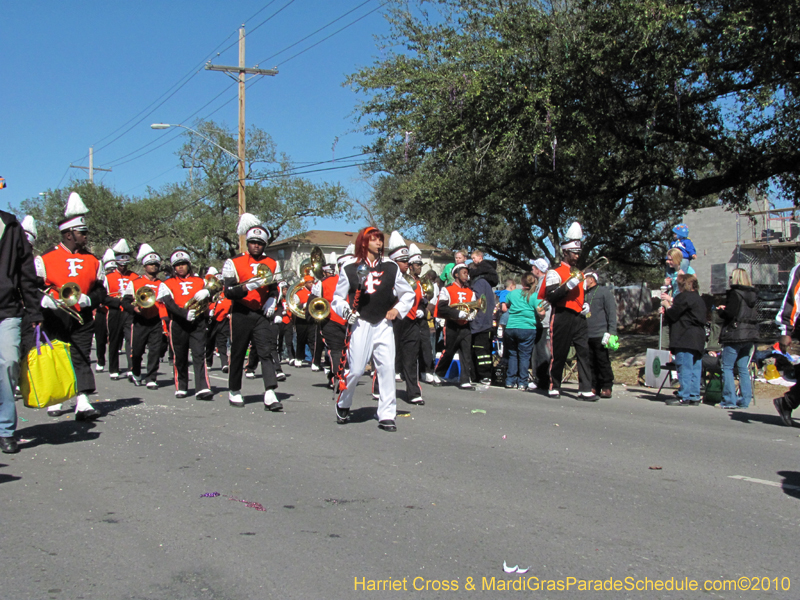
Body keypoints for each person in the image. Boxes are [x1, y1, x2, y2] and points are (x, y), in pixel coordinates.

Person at [331, 226, 414, 431]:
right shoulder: (349, 267)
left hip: (383, 324)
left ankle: (386, 414)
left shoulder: (391, 267)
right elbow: (337, 298)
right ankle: (344, 401)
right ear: (364, 242)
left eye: (380, 240)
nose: (379, 243)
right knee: (357, 368)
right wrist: (346, 311)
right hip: (360, 323)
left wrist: (397, 309)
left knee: (387, 368)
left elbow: (408, 294)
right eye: (375, 240)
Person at [38, 192, 106, 420]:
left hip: (82, 315)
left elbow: (101, 289)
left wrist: (90, 299)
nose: (85, 237)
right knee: (58, 354)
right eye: (81, 233)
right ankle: (56, 398)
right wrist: (44, 299)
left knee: (81, 354)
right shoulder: (45, 258)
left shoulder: (94, 260)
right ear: (68, 234)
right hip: (56, 314)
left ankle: (83, 401)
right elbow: (33, 285)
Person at [222, 213, 283, 411]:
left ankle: (270, 391)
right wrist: (248, 287)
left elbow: (275, 287)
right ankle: (234, 390)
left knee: (266, 350)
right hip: (241, 311)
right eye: (253, 242)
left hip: (261, 313)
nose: (256, 246)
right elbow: (228, 291)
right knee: (239, 351)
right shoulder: (234, 262)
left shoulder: (273, 263)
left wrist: (273, 300)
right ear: (247, 243)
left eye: (260, 243)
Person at [0, 209, 42, 453]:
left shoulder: (10, 226)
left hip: (7, 309)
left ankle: (5, 430)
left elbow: (26, 271)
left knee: (8, 364)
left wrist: (34, 310)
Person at [541, 222, 597, 400]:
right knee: (559, 352)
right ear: (565, 252)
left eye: (578, 253)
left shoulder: (579, 273)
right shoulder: (554, 272)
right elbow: (551, 296)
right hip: (562, 314)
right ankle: (554, 385)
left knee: (583, 352)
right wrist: (567, 287)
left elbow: (580, 295)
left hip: (579, 316)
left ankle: (585, 388)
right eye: (574, 253)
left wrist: (585, 305)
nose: (577, 256)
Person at [157, 250, 212, 400]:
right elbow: (168, 303)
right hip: (178, 323)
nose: (180, 267)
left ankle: (202, 387)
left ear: (188, 265)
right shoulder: (166, 283)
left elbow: (212, 295)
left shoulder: (200, 281)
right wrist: (184, 313)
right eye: (177, 265)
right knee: (179, 356)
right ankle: (181, 385)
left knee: (199, 354)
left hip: (198, 322)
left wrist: (207, 292)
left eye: (183, 264)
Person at [386, 231, 424, 404]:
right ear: (393, 261)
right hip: (392, 322)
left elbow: (419, 299)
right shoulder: (385, 279)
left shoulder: (413, 281)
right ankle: (380, 388)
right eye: (402, 261)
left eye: (407, 261)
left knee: (411, 357)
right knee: (387, 357)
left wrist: (421, 309)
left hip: (411, 323)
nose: (407, 264)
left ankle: (413, 392)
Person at [121, 243, 165, 390]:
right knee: (137, 349)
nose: (153, 266)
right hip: (139, 320)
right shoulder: (135, 283)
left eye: (156, 264)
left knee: (155, 350)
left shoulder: (162, 284)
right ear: (145, 266)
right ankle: (136, 371)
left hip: (156, 320)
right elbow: (125, 301)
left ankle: (151, 377)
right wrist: (134, 308)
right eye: (150, 264)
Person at [661, 273, 706, 406]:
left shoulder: (683, 297)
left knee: (684, 367)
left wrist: (667, 305)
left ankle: (684, 395)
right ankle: (694, 395)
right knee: (695, 367)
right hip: (698, 336)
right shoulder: (699, 299)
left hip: (685, 336)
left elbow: (674, 314)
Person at [716, 268, 758, 409]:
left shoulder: (735, 293)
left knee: (727, 367)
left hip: (735, 334)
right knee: (743, 368)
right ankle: (745, 399)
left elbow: (731, 313)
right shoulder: (753, 295)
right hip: (749, 334)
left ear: (735, 278)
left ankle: (729, 400)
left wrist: (721, 311)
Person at [432, 263, 477, 389]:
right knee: (449, 351)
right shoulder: (447, 289)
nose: (466, 275)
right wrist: (458, 313)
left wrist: (472, 314)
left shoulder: (470, 291)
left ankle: (465, 380)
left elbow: (474, 307)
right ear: (456, 274)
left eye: (467, 273)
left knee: (466, 352)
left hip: (465, 326)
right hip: (452, 325)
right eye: (463, 272)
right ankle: (438, 373)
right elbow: (442, 307)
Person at [104, 239, 139, 380]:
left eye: (125, 264)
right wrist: (115, 301)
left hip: (129, 312)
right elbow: (104, 297)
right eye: (120, 264)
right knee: (114, 339)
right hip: (114, 311)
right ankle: (113, 368)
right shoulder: (108, 277)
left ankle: (132, 368)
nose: (123, 267)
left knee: (131, 340)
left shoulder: (134, 276)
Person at [504, 272, 542, 390]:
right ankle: (522, 382)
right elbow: (541, 312)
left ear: (522, 282)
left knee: (513, 354)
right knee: (524, 356)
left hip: (511, 327)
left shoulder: (513, 293)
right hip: (527, 327)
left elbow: (505, 306)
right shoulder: (534, 296)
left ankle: (510, 380)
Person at [583, 271, 618, 398]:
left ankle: (606, 386)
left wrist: (612, 332)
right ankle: (593, 385)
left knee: (602, 361)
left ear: (591, 279)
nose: (583, 281)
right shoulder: (584, 293)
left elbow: (611, 313)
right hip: (587, 333)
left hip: (601, 333)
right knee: (590, 362)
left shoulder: (604, 292)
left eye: (585, 279)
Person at [468, 254, 499, 384]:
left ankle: (484, 375)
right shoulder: (485, 283)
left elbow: (478, 302)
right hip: (484, 322)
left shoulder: (479, 283)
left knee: (481, 351)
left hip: (480, 323)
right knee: (482, 350)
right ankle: (481, 375)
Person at [529, 258, 551, 390]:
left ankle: (542, 379)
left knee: (541, 350)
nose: (532, 270)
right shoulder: (540, 282)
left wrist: (538, 309)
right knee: (537, 349)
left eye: (533, 268)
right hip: (539, 320)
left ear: (538, 269)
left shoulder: (546, 282)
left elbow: (546, 301)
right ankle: (538, 377)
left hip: (544, 320)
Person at [204, 267, 231, 374]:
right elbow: (205, 305)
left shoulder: (226, 295)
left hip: (223, 321)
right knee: (209, 342)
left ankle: (224, 363)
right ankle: (208, 361)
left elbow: (230, 304)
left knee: (222, 343)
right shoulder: (210, 294)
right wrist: (208, 311)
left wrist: (229, 313)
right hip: (211, 321)